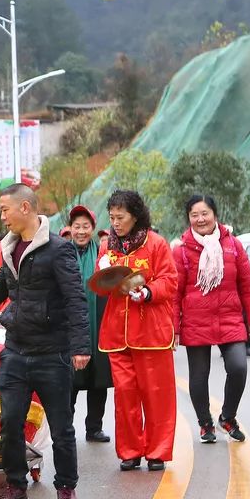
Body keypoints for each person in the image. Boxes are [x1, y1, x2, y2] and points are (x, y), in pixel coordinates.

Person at [0, 184, 89, 499]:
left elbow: (75, 299)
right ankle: (16, 486)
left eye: (4, 210)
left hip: (52, 352)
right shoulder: (10, 249)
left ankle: (67, 488)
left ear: (25, 208)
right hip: (15, 350)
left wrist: (80, 346)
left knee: (62, 425)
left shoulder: (58, 249)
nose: (2, 217)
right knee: (10, 422)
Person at [172, 194, 250, 443]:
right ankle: (205, 424)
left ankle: (227, 417)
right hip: (196, 319)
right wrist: (174, 327)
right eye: (194, 214)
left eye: (205, 213)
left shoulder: (232, 245)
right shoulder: (181, 251)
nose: (200, 219)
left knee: (238, 367)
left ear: (214, 214)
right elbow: (174, 292)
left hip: (230, 317)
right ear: (189, 218)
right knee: (198, 376)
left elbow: (247, 284)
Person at [97, 189, 177, 472]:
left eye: (121, 217)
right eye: (112, 217)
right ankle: (130, 451)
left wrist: (149, 292)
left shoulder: (156, 244)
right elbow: (103, 287)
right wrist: (104, 269)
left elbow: (170, 281)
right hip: (117, 332)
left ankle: (157, 451)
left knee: (157, 393)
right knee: (125, 393)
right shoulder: (109, 247)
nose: (115, 223)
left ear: (135, 216)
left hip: (152, 331)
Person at [67, 205, 113, 443]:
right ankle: (66, 428)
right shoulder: (63, 253)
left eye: (86, 227)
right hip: (71, 325)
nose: (81, 231)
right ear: (70, 229)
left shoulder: (103, 254)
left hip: (100, 322)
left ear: (93, 229)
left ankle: (94, 427)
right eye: (77, 227)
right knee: (70, 380)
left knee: (99, 377)